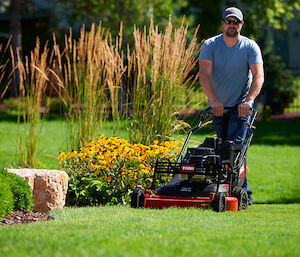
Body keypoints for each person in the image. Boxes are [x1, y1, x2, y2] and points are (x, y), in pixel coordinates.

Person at [198, 7, 264, 204]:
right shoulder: (210, 44)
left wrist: (249, 101)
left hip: (240, 106)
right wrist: (214, 100)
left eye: (236, 22)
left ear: (241, 25)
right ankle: (224, 190)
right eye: (229, 21)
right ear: (223, 23)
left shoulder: (250, 46)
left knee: (235, 149)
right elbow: (204, 75)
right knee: (220, 148)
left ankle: (241, 195)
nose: (232, 25)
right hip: (218, 106)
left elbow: (258, 76)